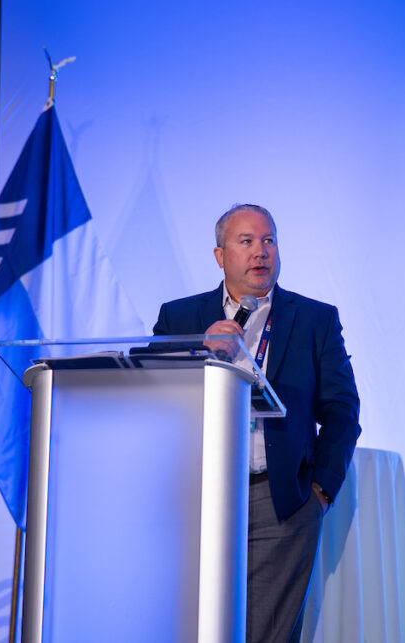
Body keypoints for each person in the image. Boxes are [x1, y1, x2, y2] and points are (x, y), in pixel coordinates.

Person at [153, 204, 361, 643]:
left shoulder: (315, 319)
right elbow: (154, 393)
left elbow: (342, 408)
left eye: (269, 240)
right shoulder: (180, 317)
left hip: (281, 500)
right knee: (191, 626)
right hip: (197, 498)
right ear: (220, 255)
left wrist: (320, 491)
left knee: (266, 633)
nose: (260, 252)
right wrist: (200, 350)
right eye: (246, 241)